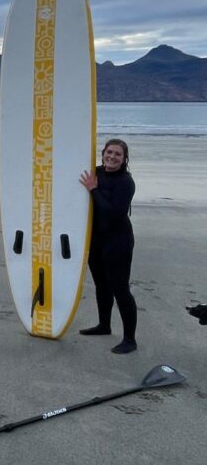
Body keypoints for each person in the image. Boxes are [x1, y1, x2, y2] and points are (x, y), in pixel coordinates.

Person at [79, 138, 137, 353]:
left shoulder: (125, 182)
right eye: (109, 152)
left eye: (117, 155)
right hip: (96, 239)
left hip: (118, 241)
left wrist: (94, 190)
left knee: (120, 289)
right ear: (103, 153)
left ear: (124, 159)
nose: (112, 157)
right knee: (102, 285)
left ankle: (130, 340)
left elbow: (114, 213)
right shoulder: (96, 172)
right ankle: (104, 326)